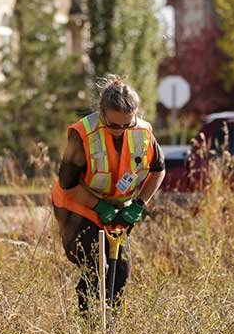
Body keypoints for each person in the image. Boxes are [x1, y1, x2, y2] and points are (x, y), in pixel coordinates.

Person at [51, 75, 165, 314]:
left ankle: (111, 328)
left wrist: (139, 204)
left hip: (119, 210)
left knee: (120, 272)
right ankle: (90, 327)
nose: (120, 131)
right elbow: (67, 183)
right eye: (114, 126)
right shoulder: (82, 134)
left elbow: (158, 171)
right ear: (102, 112)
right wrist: (99, 206)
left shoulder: (143, 132)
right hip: (77, 208)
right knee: (95, 266)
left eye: (127, 125)